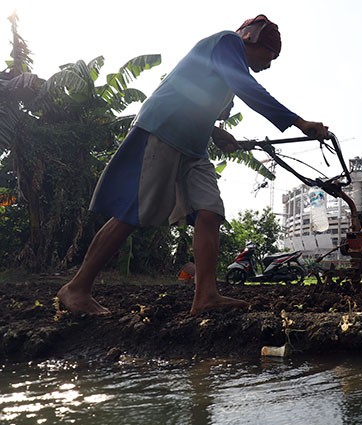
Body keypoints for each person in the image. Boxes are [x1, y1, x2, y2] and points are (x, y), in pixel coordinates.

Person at [57, 14, 328, 316]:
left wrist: (218, 133)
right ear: (252, 38)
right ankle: (76, 288)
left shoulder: (228, 69)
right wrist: (298, 121)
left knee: (209, 212)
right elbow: (247, 88)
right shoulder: (227, 42)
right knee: (132, 212)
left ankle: (206, 296)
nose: (270, 63)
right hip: (163, 130)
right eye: (271, 55)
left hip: (194, 148)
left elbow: (197, 100)